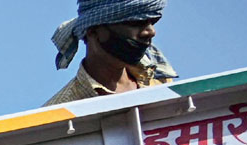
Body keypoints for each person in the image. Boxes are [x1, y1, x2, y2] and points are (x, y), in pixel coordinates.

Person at [46, 1, 175, 104]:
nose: (151, 31)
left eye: (152, 22)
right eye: (136, 22)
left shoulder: (160, 81)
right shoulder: (60, 112)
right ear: (93, 32)